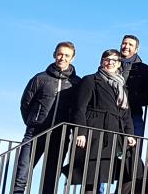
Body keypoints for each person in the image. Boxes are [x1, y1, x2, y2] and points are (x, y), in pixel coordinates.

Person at [14, 42, 81, 194]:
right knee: (22, 172)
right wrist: (32, 122)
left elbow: (78, 108)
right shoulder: (40, 78)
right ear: (54, 54)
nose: (62, 58)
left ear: (72, 58)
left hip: (60, 135)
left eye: (66, 55)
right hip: (35, 132)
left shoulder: (76, 83)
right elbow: (25, 103)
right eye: (60, 54)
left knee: (50, 179)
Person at [68, 50, 136, 194]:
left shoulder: (122, 86)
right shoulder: (90, 80)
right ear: (101, 61)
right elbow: (80, 108)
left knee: (133, 168)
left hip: (116, 132)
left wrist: (130, 134)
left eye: (115, 60)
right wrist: (81, 132)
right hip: (95, 131)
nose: (110, 62)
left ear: (119, 64)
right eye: (107, 59)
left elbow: (126, 113)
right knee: (92, 175)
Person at [119, 35, 148, 136]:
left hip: (133, 112)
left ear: (136, 49)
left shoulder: (143, 69)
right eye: (124, 43)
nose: (126, 46)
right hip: (111, 111)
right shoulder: (111, 64)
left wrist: (136, 101)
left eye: (130, 45)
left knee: (134, 141)